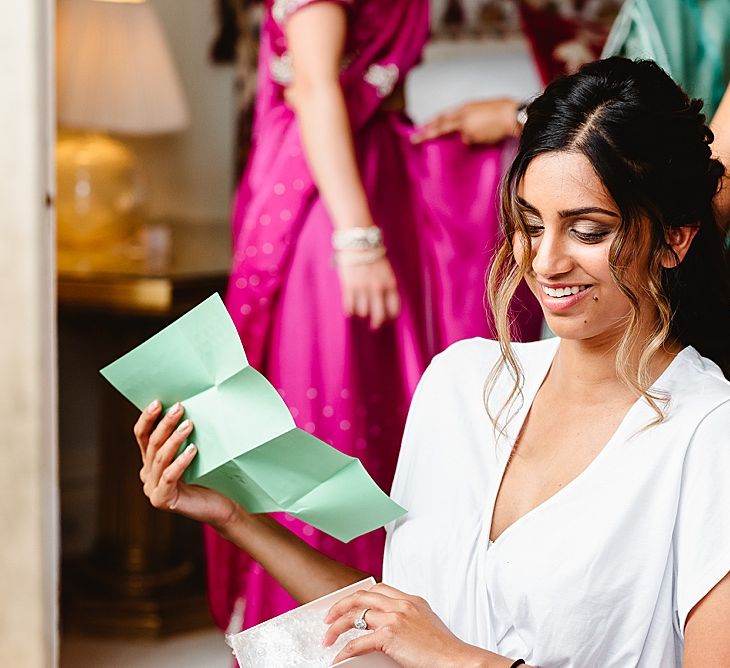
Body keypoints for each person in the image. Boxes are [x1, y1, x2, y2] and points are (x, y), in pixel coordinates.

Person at [133, 57, 730, 666]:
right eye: (529, 225)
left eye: (588, 231)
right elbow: (395, 627)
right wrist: (234, 515)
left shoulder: (707, 433)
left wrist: (453, 657)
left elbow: (432, 647)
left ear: (674, 241)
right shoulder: (460, 382)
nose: (546, 262)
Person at [212, 0, 543, 631]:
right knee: (328, 434)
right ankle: (321, 640)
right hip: (334, 207)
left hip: (374, 179)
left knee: (385, 439)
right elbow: (312, 84)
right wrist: (357, 238)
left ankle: (395, 634)